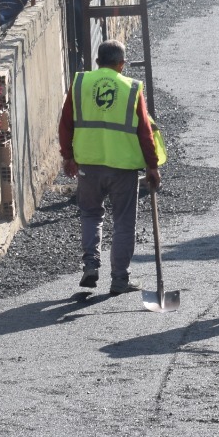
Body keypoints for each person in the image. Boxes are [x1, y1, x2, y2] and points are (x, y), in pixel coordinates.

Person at [59, 40, 164, 295]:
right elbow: (145, 132)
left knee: (90, 214)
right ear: (122, 64)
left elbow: (65, 123)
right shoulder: (131, 88)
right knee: (123, 221)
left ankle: (91, 264)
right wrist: (152, 166)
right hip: (122, 167)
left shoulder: (80, 83)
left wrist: (68, 157)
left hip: (89, 164)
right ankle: (119, 278)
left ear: (97, 61)